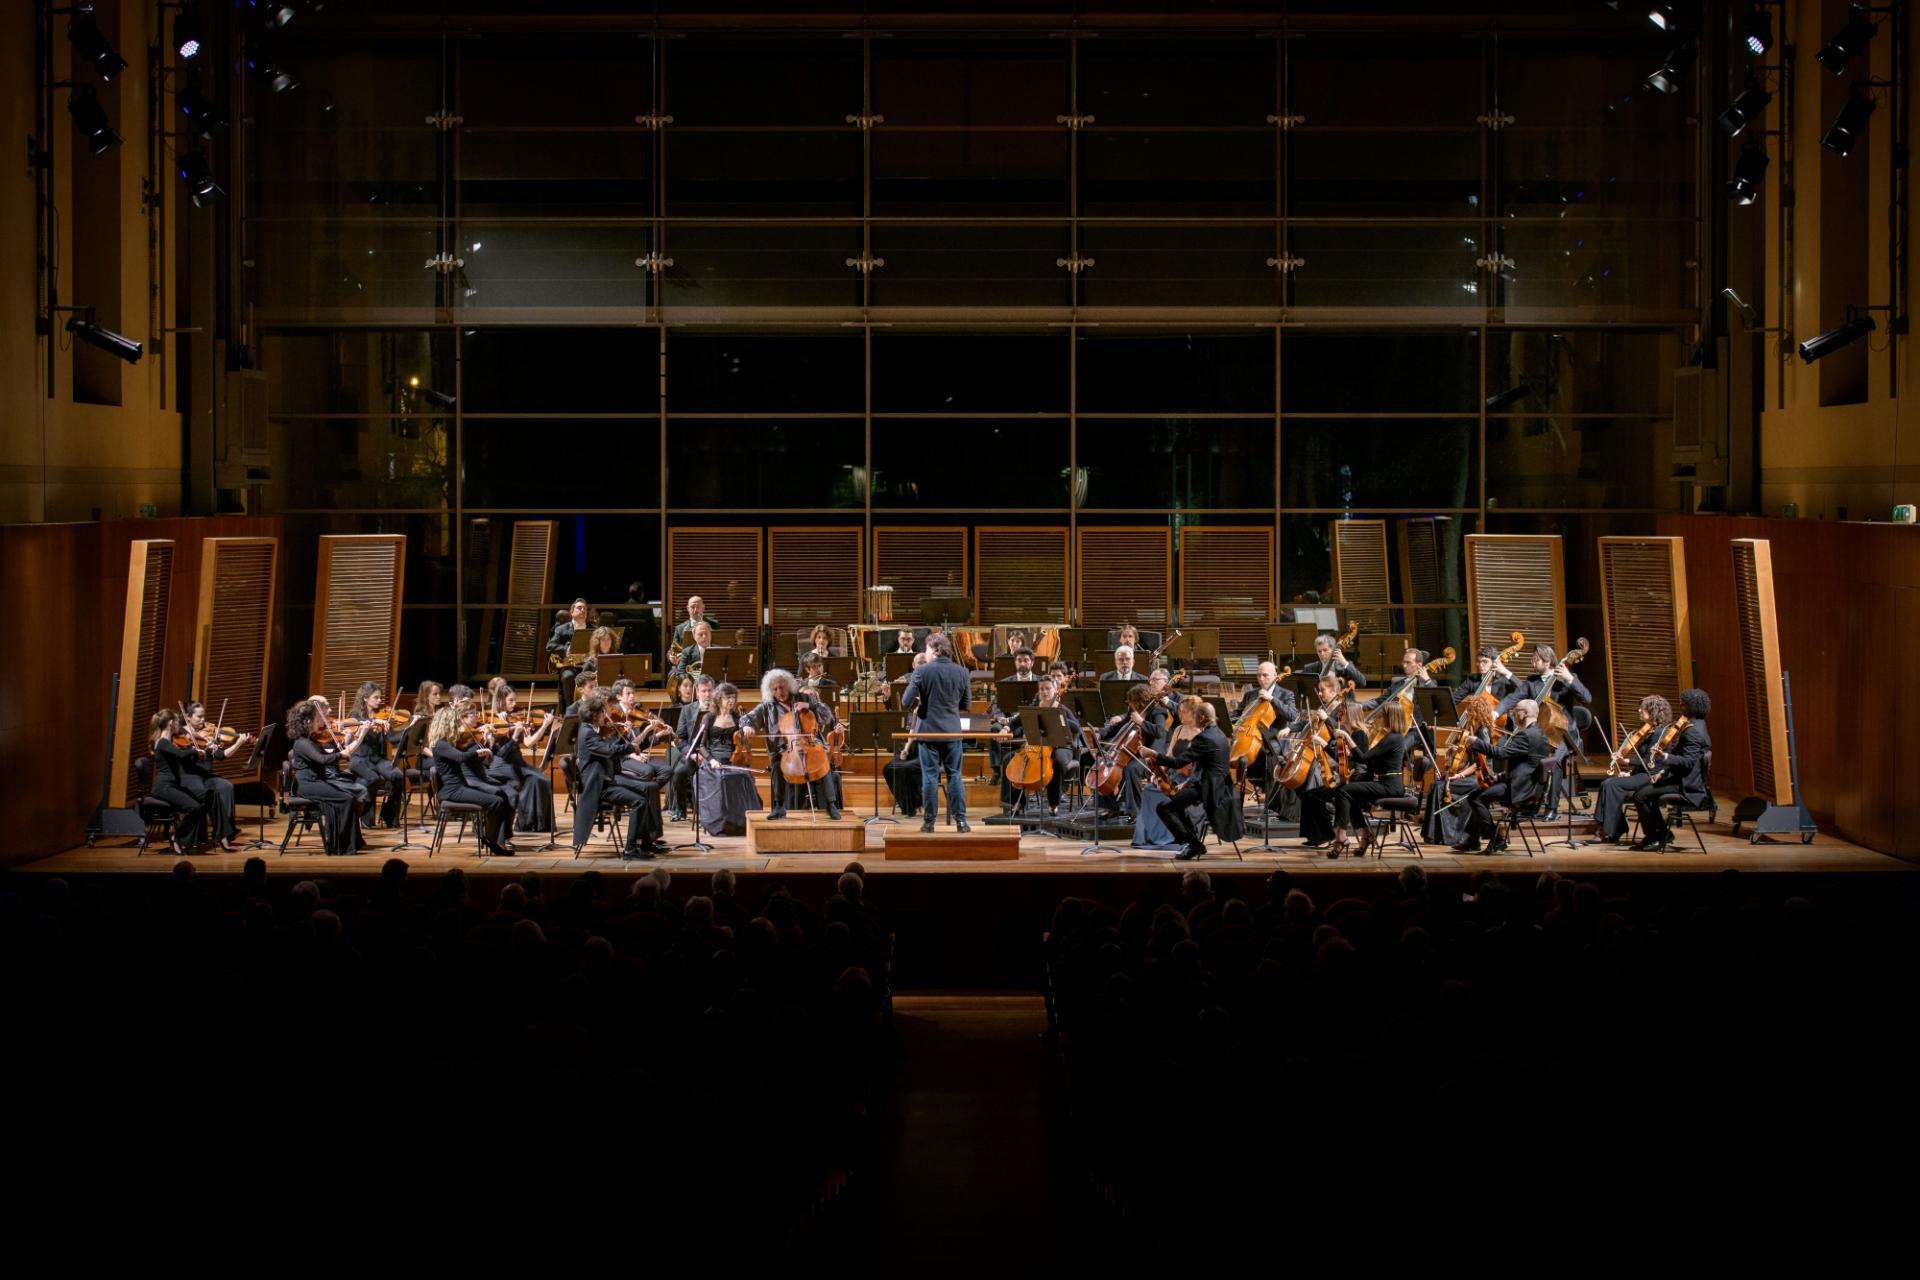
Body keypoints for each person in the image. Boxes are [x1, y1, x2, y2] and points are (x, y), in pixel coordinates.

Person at [1497, 644, 1593, 820]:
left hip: (1563, 733)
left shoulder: (1565, 680)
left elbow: (1587, 698)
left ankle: (1552, 808)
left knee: (1553, 761)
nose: (1533, 662)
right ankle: (1524, 802)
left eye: (1536, 659)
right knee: (1518, 754)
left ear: (1548, 661)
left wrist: (1569, 678)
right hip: (1539, 732)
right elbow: (1513, 698)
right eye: (1532, 659)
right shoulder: (1532, 682)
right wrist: (1495, 712)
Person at [1141, 698, 1242, 862]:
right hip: (1218, 786)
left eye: (1195, 715)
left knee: (1164, 808)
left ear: (1201, 718)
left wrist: (1153, 754)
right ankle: (1193, 842)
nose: (1193, 718)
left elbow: (1178, 762)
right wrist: (1186, 783)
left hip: (1209, 790)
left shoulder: (1205, 738)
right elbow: (1202, 766)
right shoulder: (1219, 733)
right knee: (1175, 799)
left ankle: (1193, 844)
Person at [572, 692, 667, 860]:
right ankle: (630, 849)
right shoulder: (587, 733)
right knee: (639, 801)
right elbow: (609, 751)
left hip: (607, 780)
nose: (606, 715)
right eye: (603, 712)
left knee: (646, 791)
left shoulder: (593, 730)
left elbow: (610, 749)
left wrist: (628, 741)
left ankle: (645, 844)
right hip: (599, 787)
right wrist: (629, 747)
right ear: (595, 715)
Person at [741, 668, 844, 821]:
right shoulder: (767, 706)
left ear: (788, 685)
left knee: (822, 758)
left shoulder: (804, 697)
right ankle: (779, 806)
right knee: (777, 764)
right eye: (775, 689)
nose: (779, 692)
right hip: (785, 749)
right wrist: (747, 726)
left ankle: (831, 804)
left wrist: (810, 706)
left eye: (782, 687)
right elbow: (746, 719)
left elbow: (827, 716)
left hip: (811, 744)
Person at [898, 633, 973, 832]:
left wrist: (922, 702)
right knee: (955, 775)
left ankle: (929, 823)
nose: (925, 653)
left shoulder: (922, 671)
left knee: (930, 776)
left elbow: (905, 702)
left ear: (935, 649)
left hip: (928, 732)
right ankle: (962, 822)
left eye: (926, 649)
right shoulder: (963, 671)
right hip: (952, 732)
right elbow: (966, 705)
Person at [1458, 698, 1550, 854]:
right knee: (1480, 793)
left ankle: (1497, 839)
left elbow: (1500, 754)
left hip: (1520, 789)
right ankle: (1472, 840)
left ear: (1525, 714)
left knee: (1476, 798)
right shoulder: (1540, 733)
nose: (1513, 713)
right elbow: (1524, 766)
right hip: (1528, 785)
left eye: (1516, 711)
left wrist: (1476, 742)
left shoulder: (1526, 736)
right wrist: (1499, 777)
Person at [428, 703, 516, 855]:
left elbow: (464, 752)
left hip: (459, 787)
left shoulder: (447, 743)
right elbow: (461, 757)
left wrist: (483, 744)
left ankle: (495, 840)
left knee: (499, 797)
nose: (457, 725)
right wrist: (479, 751)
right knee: (497, 801)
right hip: (453, 791)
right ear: (447, 724)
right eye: (454, 722)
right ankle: (491, 839)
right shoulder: (440, 745)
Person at [1630, 688, 1712, 850]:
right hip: (1680, 777)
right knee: (1645, 793)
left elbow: (1687, 762)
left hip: (1687, 785)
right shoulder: (1698, 725)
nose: (1680, 707)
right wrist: (1662, 772)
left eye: (1683, 705)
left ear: (1691, 707)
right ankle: (1661, 834)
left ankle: (1655, 837)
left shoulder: (1693, 731)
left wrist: (1664, 757)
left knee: (1641, 795)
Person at [1327, 701, 1409, 859]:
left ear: (1390, 717)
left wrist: (1345, 736)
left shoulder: (1393, 738)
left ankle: (1341, 837)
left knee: (1343, 791)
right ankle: (1366, 836)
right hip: (1385, 783)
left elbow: (1363, 758)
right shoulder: (1393, 737)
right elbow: (1369, 760)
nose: (1379, 718)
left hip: (1390, 786)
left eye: (1382, 715)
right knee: (1349, 796)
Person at [286, 699, 364, 855]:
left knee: (350, 797)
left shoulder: (311, 740)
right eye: (318, 719)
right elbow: (322, 760)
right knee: (347, 799)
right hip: (307, 785)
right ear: (308, 722)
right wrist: (341, 755)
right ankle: (342, 845)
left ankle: (349, 843)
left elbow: (323, 755)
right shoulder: (302, 742)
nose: (322, 722)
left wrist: (345, 744)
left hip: (316, 781)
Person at [180, 701, 252, 850]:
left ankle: (226, 833)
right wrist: (199, 748)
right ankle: (200, 836)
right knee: (205, 793)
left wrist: (239, 743)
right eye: (199, 717)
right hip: (189, 776)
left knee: (226, 786)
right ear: (188, 718)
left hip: (206, 776)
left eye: (203, 717)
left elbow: (221, 755)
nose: (203, 720)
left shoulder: (208, 734)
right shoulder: (181, 734)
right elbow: (182, 758)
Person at [486, 685, 557, 835]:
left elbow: (529, 742)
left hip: (517, 763)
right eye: (510, 701)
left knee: (541, 779)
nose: (514, 704)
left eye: (515, 700)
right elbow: (501, 753)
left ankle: (534, 824)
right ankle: (527, 823)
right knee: (534, 777)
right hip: (501, 765)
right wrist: (513, 733)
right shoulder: (493, 720)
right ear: (501, 701)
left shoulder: (516, 719)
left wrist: (544, 725)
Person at [1006, 673, 1080, 815]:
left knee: (1057, 761)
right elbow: (1015, 722)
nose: (1045, 692)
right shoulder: (1034, 708)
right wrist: (1005, 728)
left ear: (1055, 689)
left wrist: (1059, 717)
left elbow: (1076, 728)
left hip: (1061, 746)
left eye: (1048, 688)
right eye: (1041, 689)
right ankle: (1018, 803)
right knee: (1010, 760)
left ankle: (1053, 803)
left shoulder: (1062, 709)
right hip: (1037, 746)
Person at [345, 681, 407, 828]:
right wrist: (373, 721)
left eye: (380, 697)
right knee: (372, 779)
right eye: (376, 697)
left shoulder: (383, 717)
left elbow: (392, 738)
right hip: (359, 759)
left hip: (377, 759)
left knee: (397, 776)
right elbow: (358, 724)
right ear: (365, 698)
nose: (380, 700)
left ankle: (389, 813)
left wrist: (409, 728)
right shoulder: (355, 715)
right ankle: (367, 818)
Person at [147, 711, 205, 855]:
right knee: (194, 807)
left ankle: (185, 840)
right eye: (177, 722)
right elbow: (181, 754)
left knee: (202, 801)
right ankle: (178, 838)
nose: (179, 725)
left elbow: (182, 757)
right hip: (163, 787)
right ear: (171, 723)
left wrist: (201, 750)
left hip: (172, 786)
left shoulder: (168, 743)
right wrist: (194, 749)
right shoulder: (162, 742)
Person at [547, 598, 592, 708]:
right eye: (579, 608)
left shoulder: (593, 629)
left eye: (585, 609)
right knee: (568, 676)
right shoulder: (561, 629)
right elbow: (550, 646)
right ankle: (570, 709)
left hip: (587, 665)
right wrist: (565, 649)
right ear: (572, 612)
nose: (582, 610)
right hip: (569, 665)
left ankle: (590, 707)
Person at [1300, 632, 1366, 685]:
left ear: (1333, 649)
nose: (1322, 654)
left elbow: (1363, 682)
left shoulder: (1344, 666)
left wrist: (1344, 662)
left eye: (1325, 650)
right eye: (1319, 651)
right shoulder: (1310, 668)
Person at [670, 620, 712, 687]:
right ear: (694, 636)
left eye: (706, 634)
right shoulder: (687, 652)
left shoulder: (720, 650)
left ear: (710, 634)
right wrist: (690, 681)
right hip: (694, 687)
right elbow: (679, 673)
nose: (704, 637)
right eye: (700, 634)